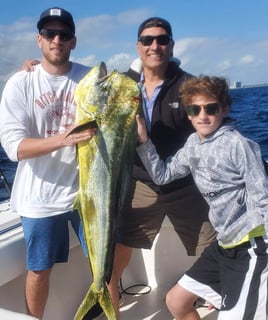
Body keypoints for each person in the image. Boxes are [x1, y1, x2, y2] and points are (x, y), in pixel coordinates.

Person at [84, 17, 217, 320]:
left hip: (185, 185)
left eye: (162, 39)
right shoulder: (122, 84)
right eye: (148, 40)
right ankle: (108, 303)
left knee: (214, 247)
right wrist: (32, 67)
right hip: (140, 184)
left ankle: (202, 294)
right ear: (138, 46)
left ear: (171, 45)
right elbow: (82, 84)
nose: (155, 46)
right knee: (114, 256)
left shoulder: (189, 86)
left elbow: (215, 124)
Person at [135, 75, 268, 319]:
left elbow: (264, 198)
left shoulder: (239, 145)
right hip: (224, 245)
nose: (202, 115)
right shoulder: (193, 144)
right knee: (176, 301)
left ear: (224, 108)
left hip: (252, 246)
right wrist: (143, 140)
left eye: (211, 108)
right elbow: (163, 175)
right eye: (194, 109)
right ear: (188, 113)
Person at [0, 7, 96, 319]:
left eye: (64, 34)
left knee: (104, 265)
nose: (57, 39)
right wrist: (63, 139)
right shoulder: (20, 83)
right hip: (40, 199)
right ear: (39, 40)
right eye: (50, 34)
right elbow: (14, 147)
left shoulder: (90, 78)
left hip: (87, 195)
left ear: (74, 41)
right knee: (39, 271)